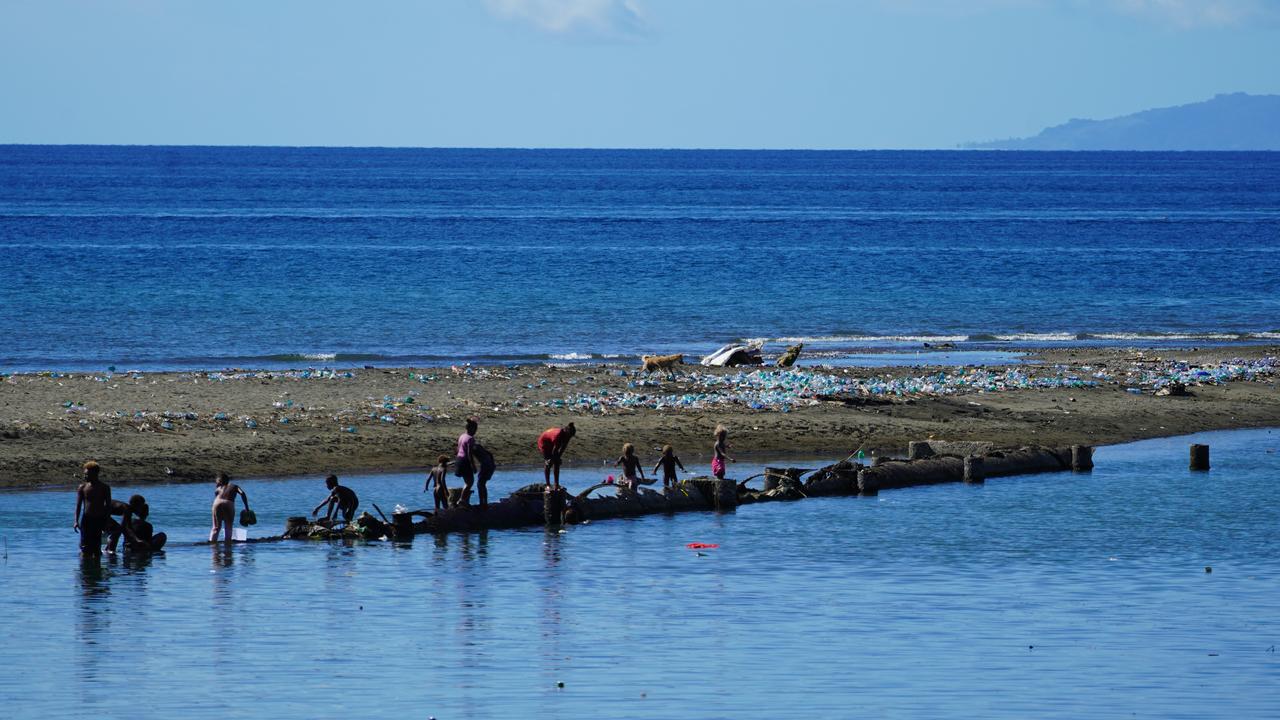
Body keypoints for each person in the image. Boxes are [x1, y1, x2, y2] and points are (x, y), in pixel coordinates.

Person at [74, 461, 111, 558]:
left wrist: (107, 521)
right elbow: (78, 505)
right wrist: (76, 521)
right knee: (85, 548)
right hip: (87, 520)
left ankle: (96, 566)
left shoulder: (104, 488)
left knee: (97, 548)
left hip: (99, 520)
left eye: (87, 474)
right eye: (84, 474)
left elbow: (108, 506)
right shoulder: (82, 487)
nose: (85, 476)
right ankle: (84, 565)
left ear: (95, 473)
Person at [210, 472, 250, 543]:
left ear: (220, 481)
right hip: (228, 503)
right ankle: (228, 546)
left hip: (217, 503)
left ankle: (212, 544)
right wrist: (247, 508)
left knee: (216, 528)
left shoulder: (218, 489)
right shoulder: (235, 486)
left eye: (216, 482)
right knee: (228, 528)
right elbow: (242, 493)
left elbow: (216, 496)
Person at [537, 422, 576, 490]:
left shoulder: (568, 435)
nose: (570, 437)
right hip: (544, 443)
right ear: (566, 431)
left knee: (557, 463)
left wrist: (558, 458)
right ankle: (548, 484)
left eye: (571, 436)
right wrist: (553, 459)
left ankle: (556, 484)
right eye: (569, 435)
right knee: (549, 463)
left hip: (552, 443)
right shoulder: (558, 435)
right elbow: (555, 450)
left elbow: (563, 448)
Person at [455, 417, 479, 506]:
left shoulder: (462, 436)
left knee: (467, 482)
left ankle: (463, 501)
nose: (475, 431)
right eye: (475, 429)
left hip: (459, 459)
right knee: (469, 483)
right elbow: (469, 454)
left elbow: (458, 449)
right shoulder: (470, 438)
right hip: (465, 461)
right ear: (471, 428)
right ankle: (461, 500)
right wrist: (473, 466)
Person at [473, 442, 496, 509]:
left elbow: (469, 457)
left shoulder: (473, 448)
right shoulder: (479, 446)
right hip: (490, 465)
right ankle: (484, 502)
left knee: (480, 484)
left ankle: (482, 503)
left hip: (485, 466)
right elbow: (490, 454)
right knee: (482, 484)